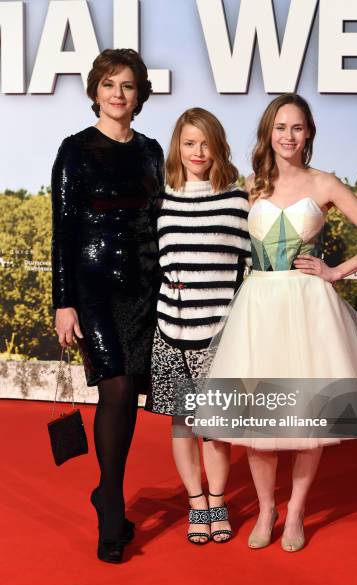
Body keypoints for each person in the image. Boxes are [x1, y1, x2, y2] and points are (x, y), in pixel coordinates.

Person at [197, 93, 357, 552]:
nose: (288, 136)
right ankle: (267, 510)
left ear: (309, 134)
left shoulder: (325, 183)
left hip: (309, 309)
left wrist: (334, 271)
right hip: (259, 307)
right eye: (280, 127)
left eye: (298, 127)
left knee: (311, 421)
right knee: (256, 424)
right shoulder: (247, 187)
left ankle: (297, 514)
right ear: (269, 132)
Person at [51, 49, 164, 563]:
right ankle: (112, 505)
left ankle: (106, 490)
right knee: (115, 386)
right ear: (96, 90)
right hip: (93, 286)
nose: (119, 94)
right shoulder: (73, 151)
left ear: (139, 95)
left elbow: (164, 219)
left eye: (129, 86)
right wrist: (63, 303)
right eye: (110, 84)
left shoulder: (153, 151)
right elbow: (63, 231)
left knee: (129, 392)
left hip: (145, 286)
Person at [144, 108, 251, 544]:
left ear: (218, 146)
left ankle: (219, 500)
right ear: (178, 146)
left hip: (221, 332)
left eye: (205, 143)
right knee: (183, 424)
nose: (198, 152)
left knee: (216, 425)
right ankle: (196, 503)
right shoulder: (162, 197)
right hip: (172, 327)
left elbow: (249, 264)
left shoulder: (238, 198)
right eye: (189, 143)